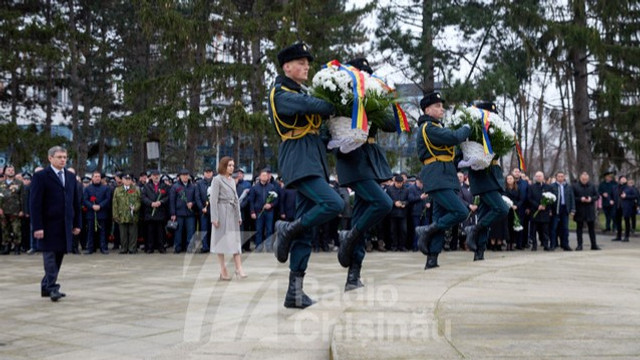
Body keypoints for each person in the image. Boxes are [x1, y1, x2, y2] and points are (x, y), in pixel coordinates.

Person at [269, 42, 343, 308]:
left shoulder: (300, 92)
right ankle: (287, 228)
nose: (306, 67)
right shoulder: (281, 93)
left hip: (312, 158)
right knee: (334, 203)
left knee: (307, 229)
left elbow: (318, 124)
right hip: (298, 158)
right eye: (301, 63)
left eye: (307, 63)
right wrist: (333, 100)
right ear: (287, 67)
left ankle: (295, 291)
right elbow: (311, 106)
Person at [332, 57, 394, 291]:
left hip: (369, 157)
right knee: (383, 203)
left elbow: (391, 123)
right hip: (352, 157)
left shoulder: (372, 96)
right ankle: (348, 237)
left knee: (361, 216)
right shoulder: (342, 95)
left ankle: (353, 276)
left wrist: (374, 105)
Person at [414, 91, 471, 269]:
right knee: (461, 211)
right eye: (437, 106)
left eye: (442, 106)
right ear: (427, 110)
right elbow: (454, 137)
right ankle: (426, 230)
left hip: (444, 174)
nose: (442, 109)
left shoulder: (436, 128)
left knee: (440, 216)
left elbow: (452, 152)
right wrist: (467, 128)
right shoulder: (429, 128)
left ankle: (432, 259)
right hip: (437, 175)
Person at [30, 146, 81, 302]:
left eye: (65, 157)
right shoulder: (41, 176)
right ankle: (52, 288)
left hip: (65, 224)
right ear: (50, 158)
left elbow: (75, 202)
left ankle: (46, 285)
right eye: (59, 157)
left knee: (59, 254)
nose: (63, 160)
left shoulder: (71, 177)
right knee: (50, 256)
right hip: (48, 225)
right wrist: (37, 226)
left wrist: (77, 223)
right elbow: (35, 203)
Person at [463, 101, 510, 261]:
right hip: (483, 177)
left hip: (493, 176)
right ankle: (473, 229)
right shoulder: (475, 129)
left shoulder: (492, 130)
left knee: (484, 215)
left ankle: (479, 252)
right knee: (502, 209)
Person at [209, 157, 246, 280]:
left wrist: (239, 215)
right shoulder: (217, 180)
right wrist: (214, 217)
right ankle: (223, 269)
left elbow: (236, 200)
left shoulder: (232, 181)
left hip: (231, 213)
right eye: (229, 165)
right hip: (221, 213)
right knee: (220, 242)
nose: (232, 167)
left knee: (235, 241)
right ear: (224, 166)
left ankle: (238, 267)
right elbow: (213, 200)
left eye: (233, 165)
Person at [249, 169, 279, 252]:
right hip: (258, 212)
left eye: (266, 175)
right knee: (259, 229)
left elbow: (276, 200)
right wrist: (252, 212)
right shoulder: (255, 188)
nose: (264, 177)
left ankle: (269, 247)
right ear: (260, 177)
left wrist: (271, 205)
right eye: (263, 175)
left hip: (269, 212)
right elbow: (251, 201)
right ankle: (259, 246)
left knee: (269, 229)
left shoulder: (271, 187)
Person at [83, 171, 111, 254]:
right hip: (91, 213)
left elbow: (107, 199)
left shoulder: (105, 188)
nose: (97, 178)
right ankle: (90, 248)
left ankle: (103, 247)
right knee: (90, 232)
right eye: (95, 176)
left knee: (102, 232)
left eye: (98, 176)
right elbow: (85, 200)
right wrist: (92, 206)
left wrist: (100, 206)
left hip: (102, 212)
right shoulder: (88, 188)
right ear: (92, 178)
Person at [112, 174, 141, 254]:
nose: (127, 181)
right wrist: (115, 215)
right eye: (126, 179)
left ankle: (132, 248)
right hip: (122, 215)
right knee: (123, 233)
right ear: (122, 180)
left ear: (131, 180)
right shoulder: (117, 190)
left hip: (133, 215)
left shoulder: (136, 189)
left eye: (129, 179)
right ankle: (124, 248)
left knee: (133, 233)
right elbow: (115, 203)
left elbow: (139, 201)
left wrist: (135, 208)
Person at [141, 169, 169, 253]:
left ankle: (161, 247)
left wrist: (161, 202)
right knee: (150, 231)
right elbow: (143, 197)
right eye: (154, 175)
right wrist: (151, 203)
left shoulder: (164, 186)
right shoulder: (146, 186)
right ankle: (150, 247)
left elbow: (167, 197)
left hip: (160, 211)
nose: (156, 177)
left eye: (158, 175)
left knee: (160, 231)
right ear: (151, 176)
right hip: (150, 212)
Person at [169, 168, 197, 253]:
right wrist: (173, 213)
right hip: (179, 213)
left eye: (186, 175)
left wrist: (192, 203)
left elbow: (196, 199)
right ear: (180, 176)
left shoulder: (193, 186)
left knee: (191, 232)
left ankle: (190, 248)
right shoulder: (175, 186)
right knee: (178, 232)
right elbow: (172, 201)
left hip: (190, 213)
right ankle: (177, 247)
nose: (185, 177)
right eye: (183, 175)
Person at [573, 172, 601, 250]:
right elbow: (573, 198)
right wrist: (580, 199)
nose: (584, 180)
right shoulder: (575, 186)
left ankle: (594, 244)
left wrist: (591, 199)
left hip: (590, 209)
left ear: (588, 179)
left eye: (586, 179)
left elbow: (597, 196)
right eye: (583, 179)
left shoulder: (592, 186)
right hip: (580, 209)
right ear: (580, 178)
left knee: (591, 228)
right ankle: (579, 245)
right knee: (579, 228)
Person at [0, 165, 24, 255]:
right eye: (9, 170)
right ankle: (6, 247)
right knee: (4, 230)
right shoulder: (1, 183)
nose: (11, 171)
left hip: (15, 210)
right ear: (5, 172)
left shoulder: (19, 183)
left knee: (16, 229)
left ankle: (17, 247)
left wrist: (22, 210)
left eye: (12, 170)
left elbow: (22, 197)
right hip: (3, 210)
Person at [528, 171, 553, 251]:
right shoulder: (531, 187)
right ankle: (534, 245)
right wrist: (537, 205)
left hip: (545, 211)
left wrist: (545, 205)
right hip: (535, 211)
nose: (538, 178)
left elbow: (551, 198)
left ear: (543, 177)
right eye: (537, 176)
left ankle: (546, 245)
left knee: (545, 230)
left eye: (540, 176)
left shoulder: (548, 187)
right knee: (534, 230)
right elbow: (529, 198)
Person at [550, 171, 575, 251]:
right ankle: (553, 244)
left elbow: (572, 198)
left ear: (564, 177)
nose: (560, 178)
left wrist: (572, 209)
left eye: (562, 176)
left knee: (565, 228)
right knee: (554, 228)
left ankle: (565, 244)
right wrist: (550, 209)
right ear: (556, 177)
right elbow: (549, 199)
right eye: (559, 176)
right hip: (556, 209)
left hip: (565, 209)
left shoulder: (568, 186)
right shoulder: (552, 186)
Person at [386, 175, 409, 251]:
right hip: (393, 213)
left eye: (401, 183)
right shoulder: (389, 189)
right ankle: (394, 246)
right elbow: (387, 199)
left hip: (403, 213)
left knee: (403, 230)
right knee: (393, 230)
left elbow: (409, 200)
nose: (399, 184)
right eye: (398, 183)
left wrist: (404, 203)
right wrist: (394, 203)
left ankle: (402, 246)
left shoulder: (406, 190)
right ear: (394, 182)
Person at [196, 167, 214, 253]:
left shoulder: (216, 183)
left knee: (213, 229)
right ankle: (205, 246)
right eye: (206, 172)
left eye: (210, 172)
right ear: (204, 174)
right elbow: (197, 197)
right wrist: (201, 207)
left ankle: (212, 246)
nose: (208, 174)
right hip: (203, 211)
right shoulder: (199, 184)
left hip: (214, 211)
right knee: (203, 229)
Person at [613, 175, 635, 242]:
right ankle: (618, 236)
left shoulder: (629, 188)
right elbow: (612, 195)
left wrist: (626, 196)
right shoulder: (616, 188)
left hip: (626, 206)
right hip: (618, 206)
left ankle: (626, 236)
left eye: (624, 178)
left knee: (626, 221)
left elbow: (634, 196)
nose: (623, 180)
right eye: (621, 179)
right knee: (618, 221)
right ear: (619, 180)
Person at [503, 174, 521, 251]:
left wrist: (516, 205)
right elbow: (503, 198)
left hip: (515, 210)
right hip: (507, 210)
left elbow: (521, 199)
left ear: (514, 180)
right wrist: (509, 205)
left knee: (514, 227)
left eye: (511, 178)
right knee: (507, 227)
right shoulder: (504, 189)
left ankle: (512, 244)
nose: (509, 180)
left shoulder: (517, 189)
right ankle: (507, 243)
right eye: (508, 179)